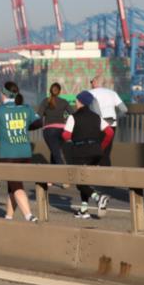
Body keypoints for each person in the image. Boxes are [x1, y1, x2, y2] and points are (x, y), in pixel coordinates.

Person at [0, 81, 43, 222]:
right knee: (12, 186)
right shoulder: (26, 108)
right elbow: (38, 123)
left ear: (4, 94)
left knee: (16, 186)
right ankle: (8, 217)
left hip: (8, 154)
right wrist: (23, 127)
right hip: (25, 153)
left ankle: (29, 215)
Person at [63, 91, 113, 219]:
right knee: (85, 180)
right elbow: (109, 132)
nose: (75, 103)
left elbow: (66, 135)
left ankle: (98, 198)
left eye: (76, 100)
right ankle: (84, 209)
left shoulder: (73, 117)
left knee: (79, 181)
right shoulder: (97, 117)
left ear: (80, 102)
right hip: (96, 152)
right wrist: (101, 146)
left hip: (80, 151)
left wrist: (66, 135)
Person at [86, 75, 126, 166]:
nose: (91, 84)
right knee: (106, 152)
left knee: (93, 151)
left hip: (96, 125)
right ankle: (106, 177)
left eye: (91, 81)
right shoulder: (112, 93)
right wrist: (116, 117)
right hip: (111, 125)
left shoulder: (90, 93)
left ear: (95, 82)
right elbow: (124, 109)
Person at [37, 83, 71, 170]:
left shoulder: (45, 101)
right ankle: (52, 178)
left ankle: (64, 178)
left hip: (49, 131)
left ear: (50, 91)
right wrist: (65, 118)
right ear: (59, 92)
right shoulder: (64, 102)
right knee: (54, 151)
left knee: (56, 153)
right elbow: (73, 114)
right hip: (62, 130)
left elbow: (39, 116)